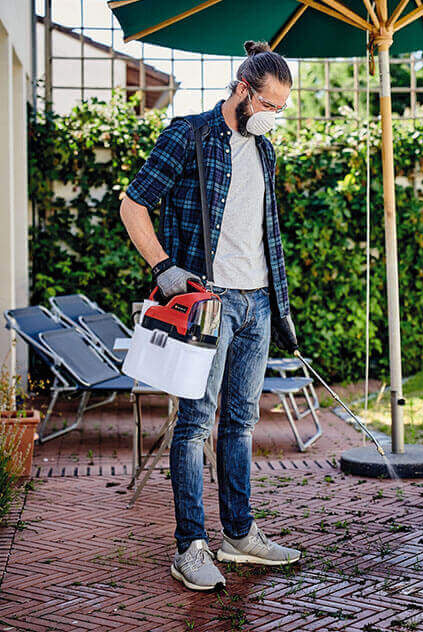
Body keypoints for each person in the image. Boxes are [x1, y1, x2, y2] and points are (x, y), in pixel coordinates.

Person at [119, 40, 301, 591]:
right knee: (195, 423)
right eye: (268, 105)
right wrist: (164, 268)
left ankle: (240, 535)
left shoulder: (265, 153)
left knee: (242, 423)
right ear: (242, 91)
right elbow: (133, 204)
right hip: (209, 302)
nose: (273, 117)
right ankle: (190, 546)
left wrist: (276, 301)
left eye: (281, 110)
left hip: (259, 301)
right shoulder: (189, 135)